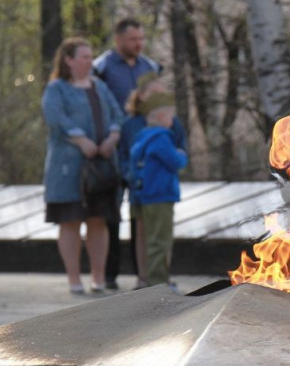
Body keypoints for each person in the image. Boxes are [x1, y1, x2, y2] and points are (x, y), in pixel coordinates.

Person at [42, 37, 125, 294]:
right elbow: (55, 118)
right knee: (71, 221)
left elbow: (117, 115)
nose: (90, 61)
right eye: (84, 56)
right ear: (69, 60)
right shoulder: (56, 89)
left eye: (91, 56)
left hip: (101, 168)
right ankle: (74, 280)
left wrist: (112, 137)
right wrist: (81, 140)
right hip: (68, 169)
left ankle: (98, 278)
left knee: (98, 221)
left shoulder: (99, 86)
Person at [93, 17, 162, 290]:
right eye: (133, 39)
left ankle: (142, 274)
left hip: (143, 149)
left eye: (141, 39)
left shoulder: (150, 66)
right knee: (111, 212)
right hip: (112, 148)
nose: (139, 44)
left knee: (140, 213)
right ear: (119, 39)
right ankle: (109, 273)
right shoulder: (102, 67)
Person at [118, 73, 188, 289]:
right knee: (154, 235)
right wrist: (179, 156)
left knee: (158, 235)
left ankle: (156, 277)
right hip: (153, 191)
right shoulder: (142, 128)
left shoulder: (153, 130)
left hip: (147, 189)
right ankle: (154, 280)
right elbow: (175, 158)